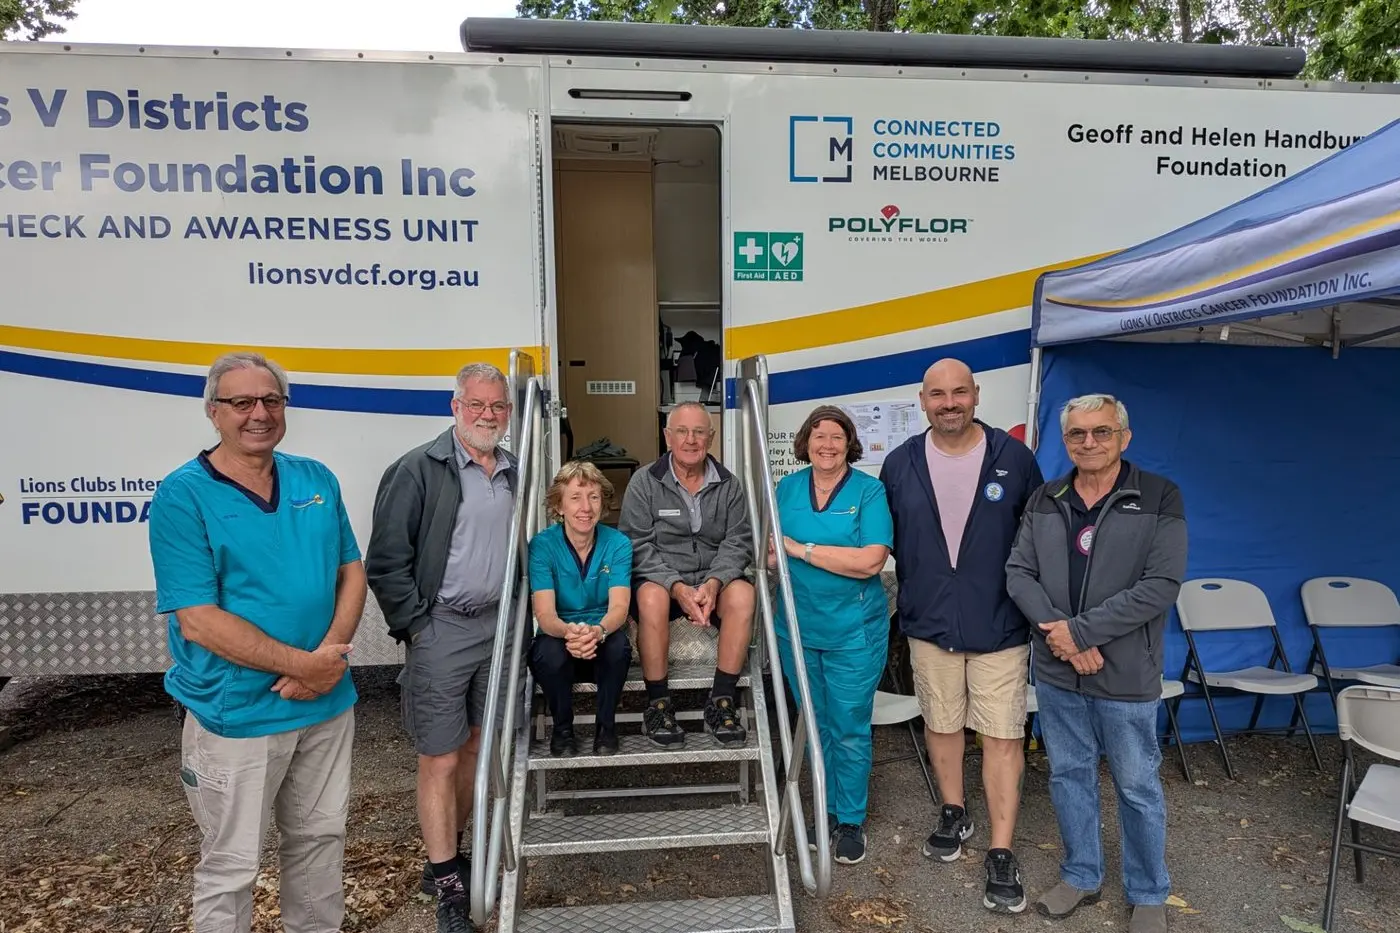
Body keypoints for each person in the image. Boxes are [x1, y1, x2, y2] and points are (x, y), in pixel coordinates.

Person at [148, 351, 365, 933]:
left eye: (271, 400)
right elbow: (198, 619)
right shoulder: (183, 495)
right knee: (232, 866)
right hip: (236, 713)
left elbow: (351, 571)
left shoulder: (316, 478)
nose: (259, 414)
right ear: (213, 411)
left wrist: (326, 662)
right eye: (241, 402)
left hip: (324, 705)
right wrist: (306, 665)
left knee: (320, 842)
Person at [1006, 394, 1185, 933]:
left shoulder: (1159, 496)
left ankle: (1149, 891)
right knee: (1068, 775)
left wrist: (1080, 633)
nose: (1089, 443)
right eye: (1078, 434)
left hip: (1126, 671)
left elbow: (1161, 585)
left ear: (1124, 437)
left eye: (1101, 432)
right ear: (1066, 442)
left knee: (1136, 784)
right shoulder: (1045, 497)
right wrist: (1062, 638)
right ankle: (1081, 875)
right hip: (1059, 671)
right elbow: (1018, 573)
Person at [879, 358, 1043, 914]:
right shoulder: (899, 464)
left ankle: (1000, 849)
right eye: (937, 395)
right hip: (930, 624)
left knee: (1001, 735)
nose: (949, 403)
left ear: (976, 395)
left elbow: (1037, 542)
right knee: (942, 723)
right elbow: (887, 543)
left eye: (959, 393)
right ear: (921, 401)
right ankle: (953, 809)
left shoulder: (1014, 460)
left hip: (1000, 624)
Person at [365, 362, 516, 933]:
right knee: (440, 754)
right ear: (455, 407)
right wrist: (417, 628)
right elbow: (386, 559)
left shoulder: (512, 471)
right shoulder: (417, 469)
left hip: (496, 626)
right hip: (443, 628)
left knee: (477, 746)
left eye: (497, 406)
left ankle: (450, 853)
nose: (487, 415)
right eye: (476, 405)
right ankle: (450, 888)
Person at [769, 405, 892, 865]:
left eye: (836, 436)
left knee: (849, 726)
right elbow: (769, 551)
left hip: (852, 632)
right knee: (813, 722)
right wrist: (777, 554)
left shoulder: (868, 491)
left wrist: (800, 549)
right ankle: (823, 805)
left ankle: (849, 819)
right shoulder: (786, 487)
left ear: (849, 444)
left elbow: (869, 562)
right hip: (797, 627)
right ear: (805, 441)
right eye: (818, 435)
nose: (826, 444)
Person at [619, 401, 754, 749]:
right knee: (650, 596)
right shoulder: (644, 482)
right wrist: (676, 587)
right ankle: (659, 705)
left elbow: (738, 541)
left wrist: (714, 582)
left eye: (699, 432)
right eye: (682, 431)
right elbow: (636, 543)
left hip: (713, 580)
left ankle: (721, 702)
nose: (690, 440)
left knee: (744, 596)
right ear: (668, 437)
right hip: (663, 582)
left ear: (711, 438)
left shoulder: (729, 485)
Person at [528, 461, 633, 757]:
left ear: (603, 504)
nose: (585, 507)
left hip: (602, 632)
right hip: (560, 634)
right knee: (548, 654)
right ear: (559, 506)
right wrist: (570, 632)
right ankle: (562, 729)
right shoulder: (542, 545)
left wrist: (597, 631)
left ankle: (606, 728)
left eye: (594, 497)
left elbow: (620, 607)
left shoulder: (618, 544)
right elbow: (545, 615)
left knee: (618, 649)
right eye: (575, 498)